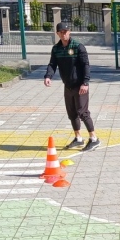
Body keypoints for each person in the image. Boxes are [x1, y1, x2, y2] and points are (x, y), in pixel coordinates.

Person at [44, 21, 100, 151]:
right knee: (72, 113)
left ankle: (94, 139)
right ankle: (78, 138)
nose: (63, 34)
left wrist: (85, 82)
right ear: (57, 33)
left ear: (69, 32)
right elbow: (52, 64)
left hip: (80, 85)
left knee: (83, 112)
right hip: (67, 86)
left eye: (66, 31)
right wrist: (48, 76)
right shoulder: (56, 49)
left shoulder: (78, 47)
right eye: (61, 32)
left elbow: (86, 65)